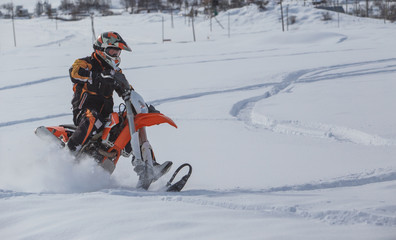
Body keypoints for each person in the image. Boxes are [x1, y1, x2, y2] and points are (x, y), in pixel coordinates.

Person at [67, 31, 171, 177]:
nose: (115, 53)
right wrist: (96, 76)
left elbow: (127, 89)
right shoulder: (86, 63)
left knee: (132, 121)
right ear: (101, 49)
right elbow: (74, 72)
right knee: (92, 118)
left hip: (106, 115)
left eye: (117, 51)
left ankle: (148, 164)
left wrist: (142, 106)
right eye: (112, 50)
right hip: (84, 111)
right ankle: (69, 154)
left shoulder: (114, 72)